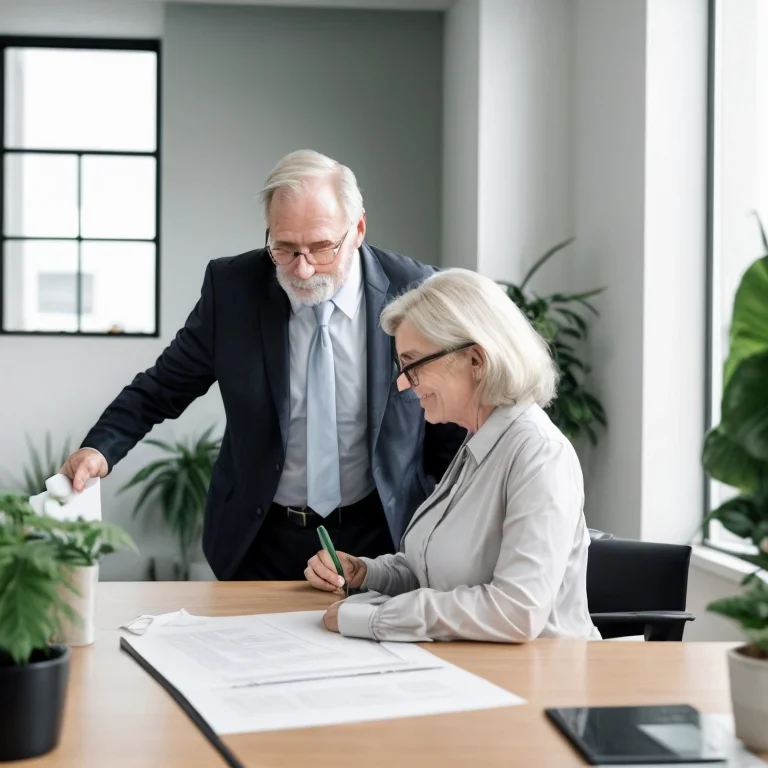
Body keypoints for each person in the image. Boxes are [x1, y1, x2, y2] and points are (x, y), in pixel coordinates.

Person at [60, 150, 465, 580]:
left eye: (321, 248)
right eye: (285, 248)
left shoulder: (416, 290)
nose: (304, 269)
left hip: (381, 536)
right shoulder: (234, 290)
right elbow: (163, 387)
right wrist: (99, 448)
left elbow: (452, 425)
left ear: (358, 229)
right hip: (261, 539)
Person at [305, 268, 600, 643]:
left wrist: (374, 619)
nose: (403, 383)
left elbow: (516, 611)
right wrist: (366, 573)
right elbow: (435, 571)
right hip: (473, 669)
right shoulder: (478, 441)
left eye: (413, 365)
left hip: (536, 681)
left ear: (475, 360)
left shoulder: (539, 453)